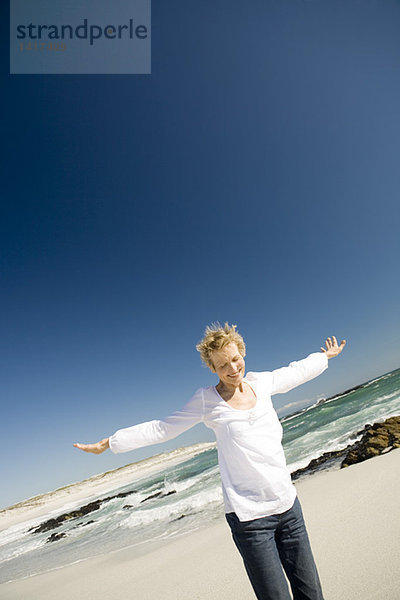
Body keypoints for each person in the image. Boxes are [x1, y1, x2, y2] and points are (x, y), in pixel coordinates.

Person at [74, 323, 346, 600]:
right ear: (212, 368)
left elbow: (294, 372)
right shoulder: (207, 400)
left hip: (288, 506)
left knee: (312, 594)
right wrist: (110, 443)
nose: (232, 369)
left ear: (242, 353)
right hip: (250, 519)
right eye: (222, 365)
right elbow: (162, 428)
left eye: (235, 359)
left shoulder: (260, 383)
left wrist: (325, 356)